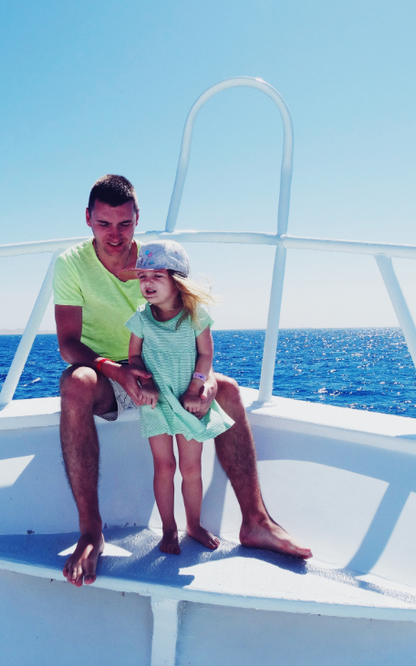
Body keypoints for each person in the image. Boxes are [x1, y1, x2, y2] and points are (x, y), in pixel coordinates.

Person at [54, 174, 311, 587]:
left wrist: (202, 381)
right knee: (75, 382)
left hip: (166, 374)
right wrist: (118, 370)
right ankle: (91, 531)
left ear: (137, 218)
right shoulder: (70, 264)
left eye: (124, 223)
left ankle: (256, 521)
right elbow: (68, 344)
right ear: (88, 219)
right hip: (110, 374)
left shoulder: (157, 260)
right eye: (103, 224)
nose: (115, 235)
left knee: (228, 390)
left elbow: (194, 328)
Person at [126, 240, 232, 555]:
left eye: (156, 276)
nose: (147, 283)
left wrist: (196, 388)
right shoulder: (141, 318)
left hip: (188, 402)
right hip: (156, 403)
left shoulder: (195, 315)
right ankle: (169, 527)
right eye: (142, 276)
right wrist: (145, 384)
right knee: (164, 466)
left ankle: (194, 525)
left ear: (177, 280)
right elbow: (133, 357)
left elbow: (206, 355)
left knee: (190, 468)